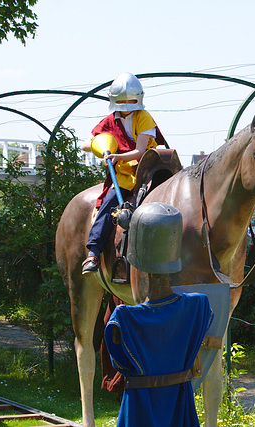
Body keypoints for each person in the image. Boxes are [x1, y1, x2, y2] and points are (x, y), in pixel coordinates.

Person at [104, 203, 212, 427]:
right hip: (179, 411)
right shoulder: (198, 306)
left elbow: (120, 365)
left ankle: (93, 253)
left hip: (139, 413)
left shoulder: (124, 319)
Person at [81, 72, 164, 274]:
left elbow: (141, 150)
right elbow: (86, 144)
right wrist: (99, 146)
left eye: (131, 99)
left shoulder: (143, 117)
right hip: (124, 176)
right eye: (122, 100)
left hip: (149, 170)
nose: (127, 104)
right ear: (114, 100)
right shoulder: (109, 121)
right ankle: (93, 253)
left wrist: (117, 157)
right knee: (108, 206)